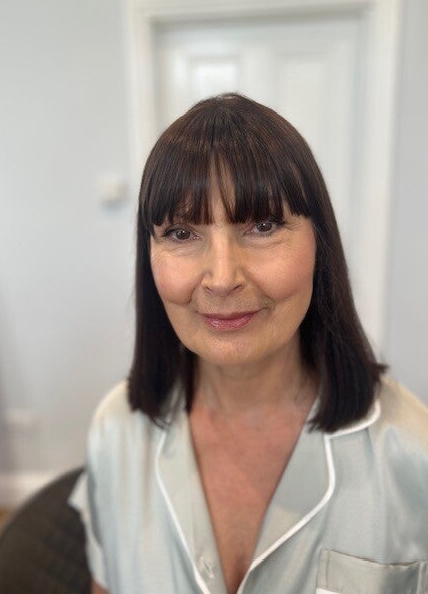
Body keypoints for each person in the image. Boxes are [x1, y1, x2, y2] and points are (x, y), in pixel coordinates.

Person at [69, 93, 428, 594]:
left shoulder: (414, 455)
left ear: (319, 245)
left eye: (262, 225)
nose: (221, 278)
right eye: (181, 232)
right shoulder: (116, 430)